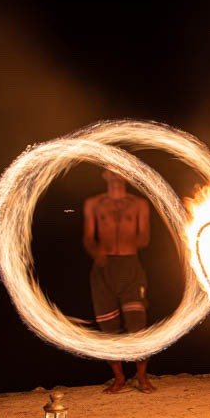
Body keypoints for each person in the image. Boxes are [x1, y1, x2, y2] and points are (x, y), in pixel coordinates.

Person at [83, 168, 155, 393]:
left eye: (119, 171)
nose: (114, 175)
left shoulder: (139, 204)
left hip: (130, 266)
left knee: (137, 326)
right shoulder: (93, 203)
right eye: (110, 171)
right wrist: (97, 251)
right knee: (108, 328)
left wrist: (130, 239)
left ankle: (142, 377)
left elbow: (145, 237)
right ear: (104, 174)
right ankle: (119, 378)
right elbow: (88, 237)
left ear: (126, 175)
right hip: (103, 270)